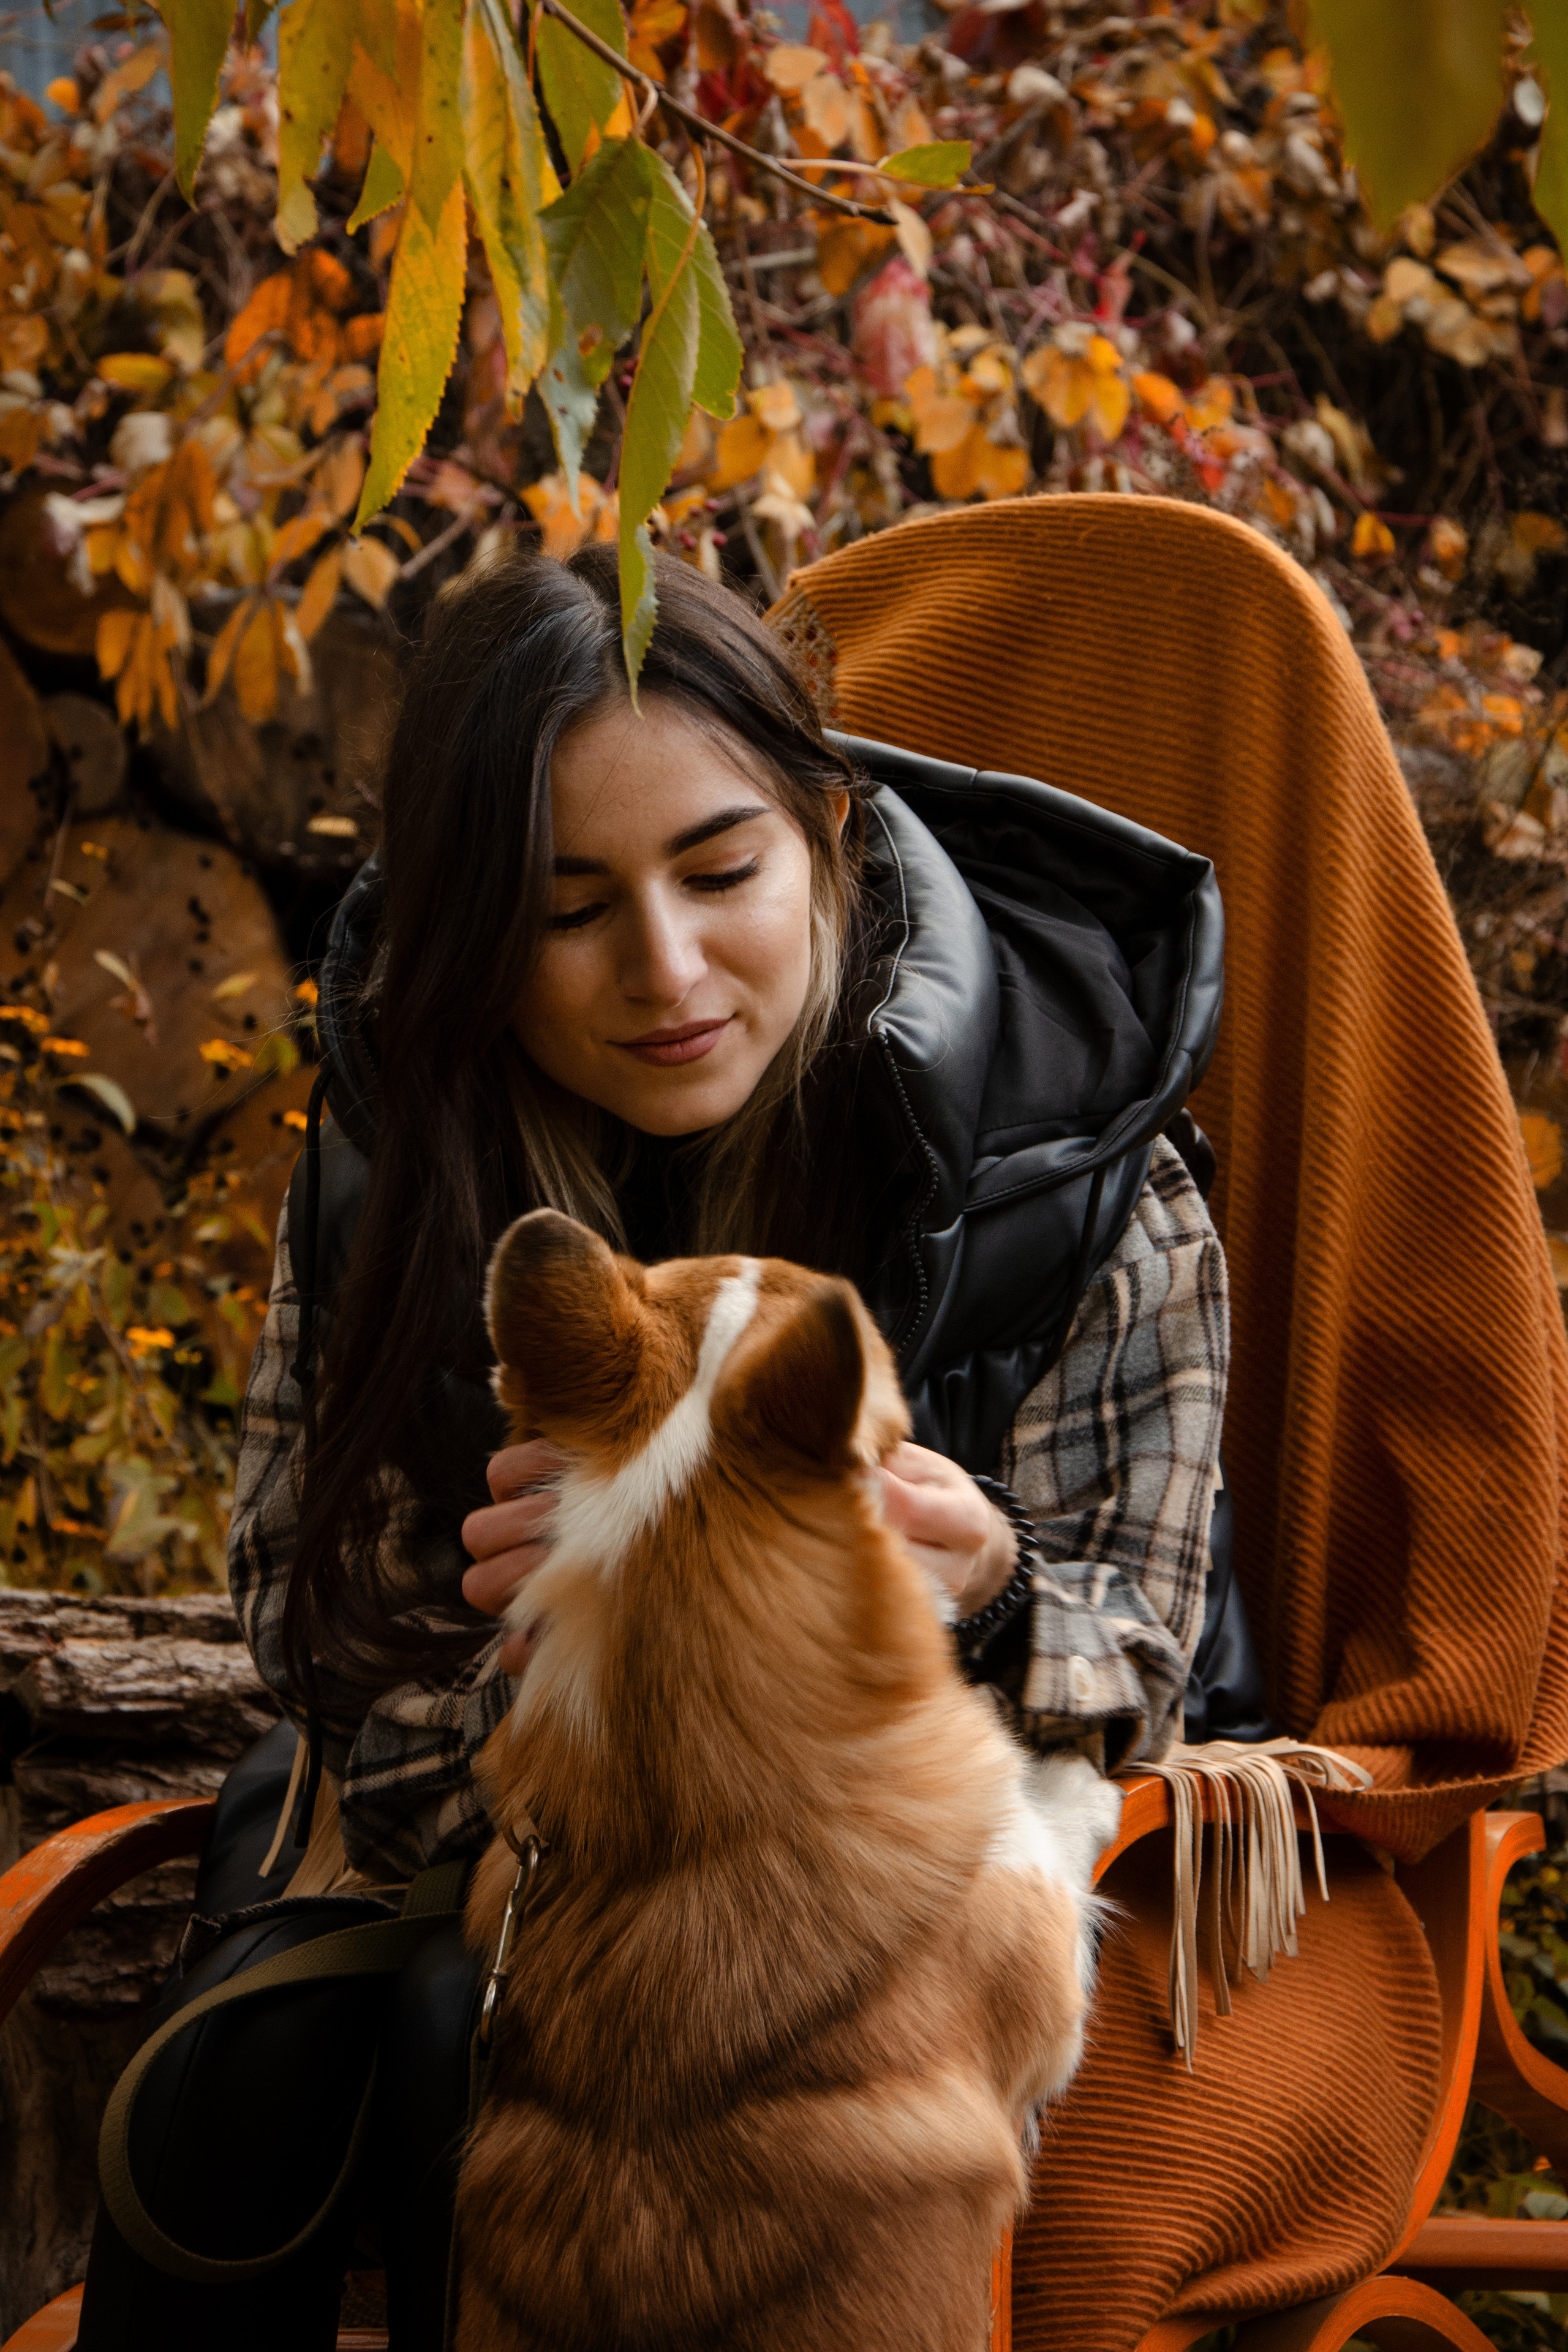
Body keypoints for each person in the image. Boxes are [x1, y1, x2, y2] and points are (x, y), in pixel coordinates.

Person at [77, 541, 1251, 2351]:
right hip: (502, 1840)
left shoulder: (1075, 1160)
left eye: (722, 871)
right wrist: (557, 1660)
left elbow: (1145, 1662)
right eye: (569, 910)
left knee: (474, 2023)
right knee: (288, 2064)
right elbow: (314, 1633)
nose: (667, 968)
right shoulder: (402, 1165)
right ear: (477, 932)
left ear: (829, 836)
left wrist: (985, 1589)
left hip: (890, 1878)